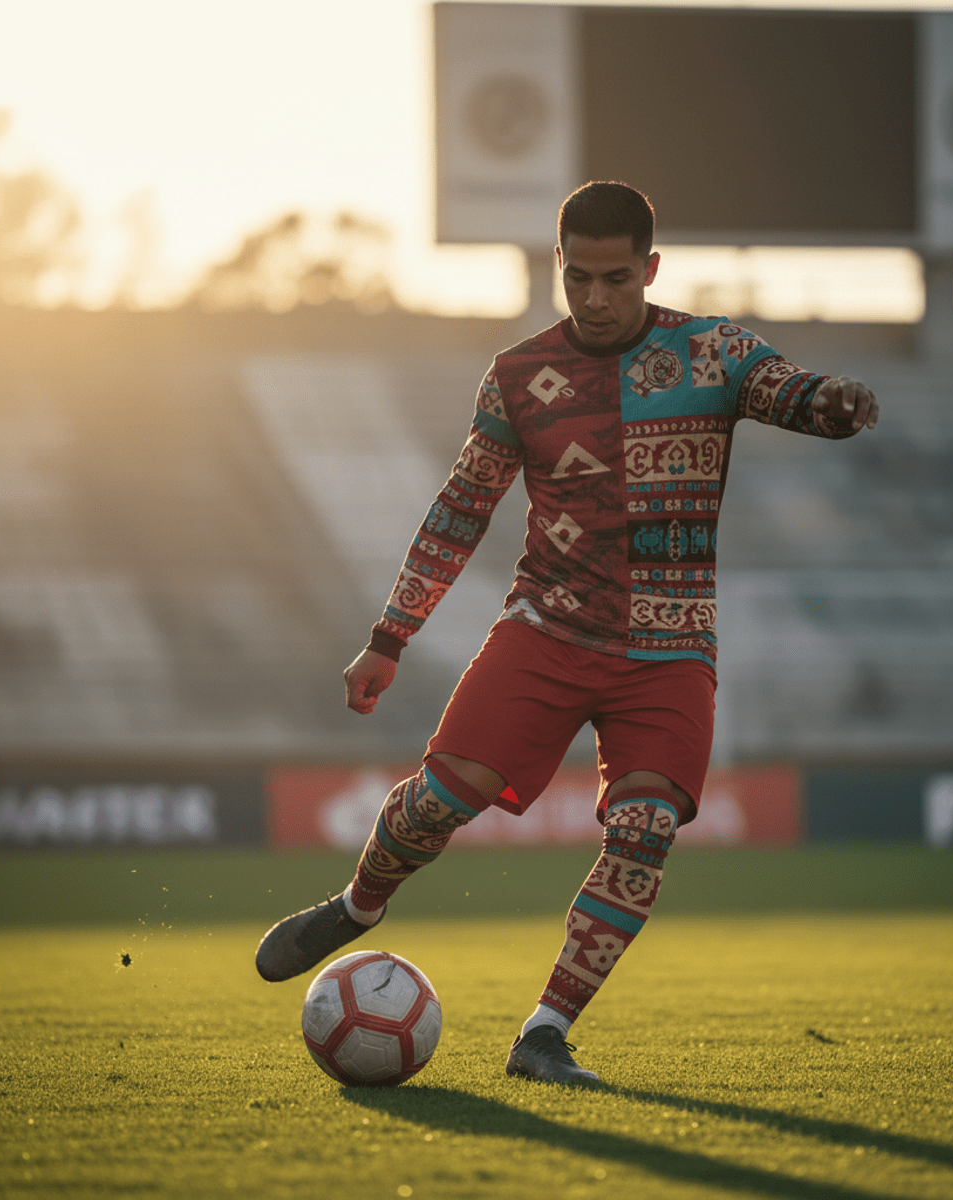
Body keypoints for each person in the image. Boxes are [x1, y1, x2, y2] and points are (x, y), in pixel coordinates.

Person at [255, 181, 879, 1085]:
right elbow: (460, 509)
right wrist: (389, 636)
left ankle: (544, 1033)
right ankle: (358, 906)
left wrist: (838, 401)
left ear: (650, 269)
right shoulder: (518, 376)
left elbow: (790, 392)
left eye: (615, 278)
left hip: (669, 648)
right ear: (559, 266)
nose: (593, 297)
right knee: (439, 801)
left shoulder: (714, 350)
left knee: (645, 828)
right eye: (577, 277)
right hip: (545, 629)